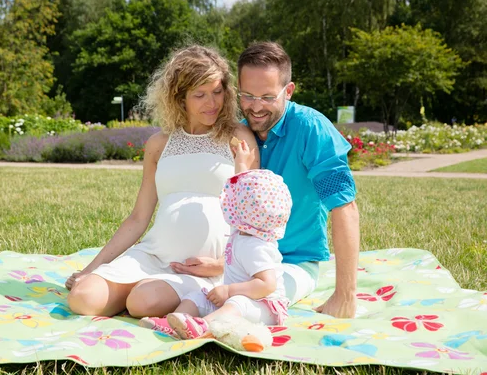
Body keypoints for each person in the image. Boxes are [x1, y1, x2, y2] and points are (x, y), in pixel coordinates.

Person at [65, 45, 259, 318]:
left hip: (206, 269)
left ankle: (147, 294)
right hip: (154, 255)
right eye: (200, 95)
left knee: (142, 303)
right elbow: (138, 218)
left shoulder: (237, 137)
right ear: (180, 98)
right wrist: (90, 270)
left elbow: (251, 216)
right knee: (82, 298)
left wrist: (221, 265)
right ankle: (131, 288)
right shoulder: (159, 144)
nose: (212, 103)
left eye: (217, 91)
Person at [236, 41, 360, 318]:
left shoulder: (311, 129)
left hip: (293, 262)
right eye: (247, 95)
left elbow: (344, 207)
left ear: (288, 91)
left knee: (251, 307)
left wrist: (345, 296)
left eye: (268, 97)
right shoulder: (238, 132)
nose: (256, 107)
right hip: (241, 260)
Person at [141, 169, 292, 339]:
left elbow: (267, 285)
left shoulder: (256, 247)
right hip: (236, 299)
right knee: (196, 297)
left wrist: (228, 291)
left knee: (238, 303)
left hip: (264, 307)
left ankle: (204, 326)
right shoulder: (242, 233)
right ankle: (175, 324)